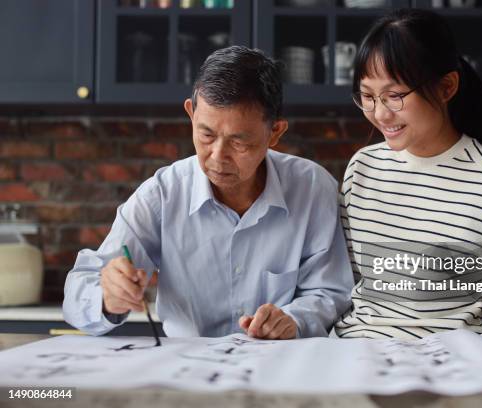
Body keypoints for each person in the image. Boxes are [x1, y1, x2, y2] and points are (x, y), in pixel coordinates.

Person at [63, 46, 354, 339]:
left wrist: (294, 320)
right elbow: (79, 288)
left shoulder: (313, 188)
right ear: (191, 113)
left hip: (280, 369)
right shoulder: (162, 195)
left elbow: (330, 290)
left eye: (238, 142)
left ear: (275, 132)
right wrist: (106, 297)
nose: (217, 157)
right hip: (185, 371)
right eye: (206, 135)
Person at [334, 9, 482, 340]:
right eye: (368, 96)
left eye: (395, 96)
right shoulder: (361, 169)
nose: (379, 113)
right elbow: (348, 283)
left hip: (453, 368)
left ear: (447, 87)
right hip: (355, 358)